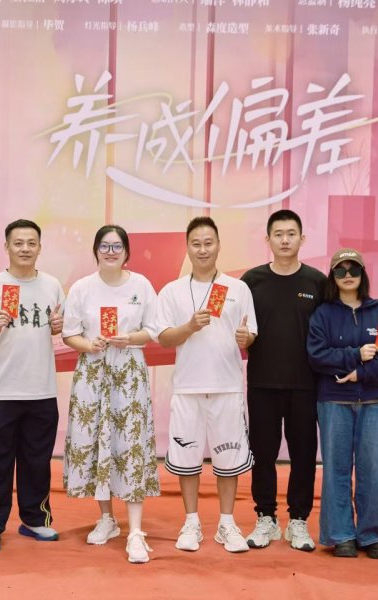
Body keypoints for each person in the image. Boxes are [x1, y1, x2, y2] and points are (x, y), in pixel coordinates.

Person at [156, 216, 257, 554]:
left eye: (208, 243)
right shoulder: (172, 291)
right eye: (196, 244)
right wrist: (189, 327)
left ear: (218, 245)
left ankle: (227, 523)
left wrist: (246, 338)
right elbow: (164, 338)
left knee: (228, 460)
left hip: (227, 386)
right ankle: (191, 522)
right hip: (188, 388)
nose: (202, 249)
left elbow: (250, 333)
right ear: (187, 247)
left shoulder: (238, 288)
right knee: (187, 459)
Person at [62, 225, 160, 564]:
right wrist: (89, 344)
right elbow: (70, 333)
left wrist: (129, 338)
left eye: (117, 246)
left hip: (129, 371)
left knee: (130, 443)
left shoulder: (141, 285)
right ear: (95, 251)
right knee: (97, 439)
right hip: (93, 372)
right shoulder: (82, 288)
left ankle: (135, 530)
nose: (110, 252)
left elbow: (153, 329)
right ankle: (107, 518)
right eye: (104, 246)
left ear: (127, 252)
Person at [0, 219, 64, 553]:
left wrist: (58, 325)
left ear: (40, 247)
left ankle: (35, 518)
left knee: (37, 461)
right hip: (2, 390)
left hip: (42, 389)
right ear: (6, 246)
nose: (25, 248)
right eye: (18, 243)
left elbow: (59, 328)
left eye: (31, 243)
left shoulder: (52, 285)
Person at [307, 249, 378, 559]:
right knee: (336, 469)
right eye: (340, 270)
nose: (347, 275)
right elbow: (317, 355)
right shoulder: (323, 314)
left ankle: (374, 534)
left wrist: (360, 373)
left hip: (374, 402)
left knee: (376, 470)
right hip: (334, 402)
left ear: (363, 274)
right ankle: (341, 534)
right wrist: (354, 355)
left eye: (354, 269)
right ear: (332, 276)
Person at [241, 209, 325, 551]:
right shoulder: (251, 281)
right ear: (268, 240)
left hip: (306, 384)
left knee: (304, 454)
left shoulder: (317, 282)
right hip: (262, 382)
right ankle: (266, 517)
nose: (285, 240)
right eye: (278, 234)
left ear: (302, 239)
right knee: (262, 453)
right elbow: (241, 326)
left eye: (291, 234)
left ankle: (298, 520)